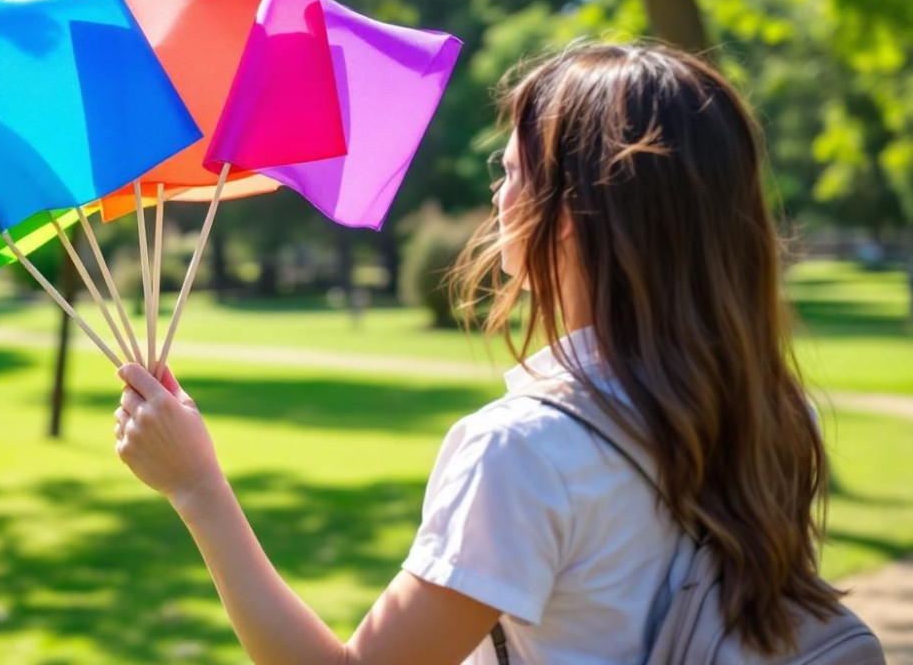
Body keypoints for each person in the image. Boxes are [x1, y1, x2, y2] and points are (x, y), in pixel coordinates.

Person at [112, 42, 841, 664]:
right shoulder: (779, 414)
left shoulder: (524, 453)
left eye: (512, 172)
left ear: (572, 217)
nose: (496, 196)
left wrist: (198, 489)